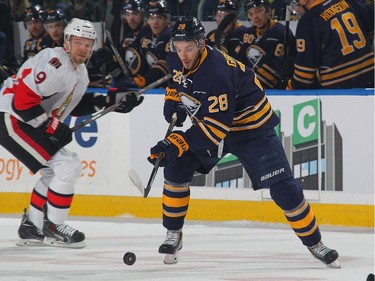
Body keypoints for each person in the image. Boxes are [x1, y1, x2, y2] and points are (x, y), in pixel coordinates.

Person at [147, 16, 340, 268]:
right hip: (214, 121)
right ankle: (173, 234)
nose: (183, 54)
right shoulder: (176, 56)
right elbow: (177, 81)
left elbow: (214, 132)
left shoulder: (216, 74)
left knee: (284, 189)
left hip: (252, 129)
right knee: (175, 169)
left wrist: (175, 143)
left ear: (202, 44)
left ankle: (315, 243)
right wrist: (173, 102)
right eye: (178, 47)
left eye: (189, 48)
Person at [0, 18, 143, 248]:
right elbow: (22, 104)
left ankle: (32, 227)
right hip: (10, 118)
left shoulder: (80, 73)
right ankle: (54, 226)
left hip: (20, 118)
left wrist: (110, 100)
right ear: (67, 42)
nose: (83, 48)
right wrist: (52, 128)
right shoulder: (54, 63)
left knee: (57, 170)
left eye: (88, 44)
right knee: (67, 166)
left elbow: (72, 105)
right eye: (78, 43)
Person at [286, 0, 374, 89]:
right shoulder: (345, 3)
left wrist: (288, 91)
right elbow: (370, 29)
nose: (296, 10)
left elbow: (303, 77)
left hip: (340, 88)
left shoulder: (308, 20)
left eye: (296, 3)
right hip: (369, 77)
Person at [238, 0, 296, 89]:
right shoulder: (248, 33)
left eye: (258, 11)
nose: (255, 17)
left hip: (276, 88)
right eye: (251, 14)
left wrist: (248, 85)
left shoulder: (281, 32)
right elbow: (240, 61)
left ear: (268, 12)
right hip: (253, 86)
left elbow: (276, 67)